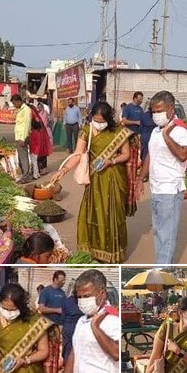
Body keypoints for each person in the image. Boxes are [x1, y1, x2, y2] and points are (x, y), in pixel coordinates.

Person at [51, 102, 133, 263]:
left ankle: (112, 252)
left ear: (108, 119)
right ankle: (92, 251)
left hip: (114, 177)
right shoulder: (86, 130)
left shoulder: (119, 131)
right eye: (96, 120)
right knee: (93, 212)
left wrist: (111, 161)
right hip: (95, 179)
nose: (99, 124)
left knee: (113, 213)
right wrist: (63, 171)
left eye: (102, 121)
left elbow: (126, 154)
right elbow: (77, 154)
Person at [135, 91, 187, 265]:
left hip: (170, 189)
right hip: (157, 188)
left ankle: (162, 271)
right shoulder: (155, 132)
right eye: (153, 111)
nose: (156, 115)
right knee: (159, 232)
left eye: (159, 110)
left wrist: (167, 136)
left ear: (170, 108)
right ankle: (165, 265)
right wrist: (140, 179)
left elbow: (183, 154)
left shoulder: (181, 132)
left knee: (166, 235)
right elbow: (149, 157)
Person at [12, 94, 33, 183]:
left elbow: (27, 125)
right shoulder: (20, 110)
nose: (14, 105)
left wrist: (23, 138)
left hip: (22, 137)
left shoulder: (26, 110)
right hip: (19, 136)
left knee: (24, 157)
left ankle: (26, 176)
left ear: (18, 101)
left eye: (14, 103)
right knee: (20, 157)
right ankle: (24, 175)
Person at [62, 287, 84, 362]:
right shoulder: (83, 302)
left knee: (68, 354)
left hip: (68, 329)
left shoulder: (67, 301)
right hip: (77, 330)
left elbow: (62, 317)